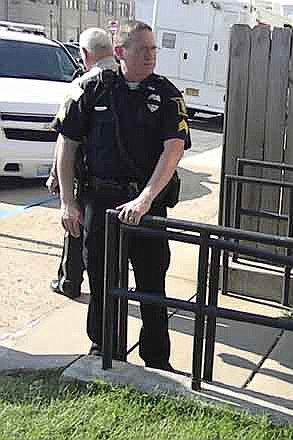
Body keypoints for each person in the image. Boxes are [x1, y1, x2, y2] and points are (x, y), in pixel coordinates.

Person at [54, 21, 190, 370]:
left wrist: (145, 199)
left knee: (151, 286)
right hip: (101, 202)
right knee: (103, 283)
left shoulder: (168, 94)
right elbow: (67, 145)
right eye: (141, 49)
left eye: (153, 49)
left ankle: (157, 361)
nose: (150, 56)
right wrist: (68, 201)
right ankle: (105, 350)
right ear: (119, 53)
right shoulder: (91, 89)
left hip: (148, 206)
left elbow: (173, 149)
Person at [47, 27, 119, 299]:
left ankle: (70, 280)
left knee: (74, 223)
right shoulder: (126, 80)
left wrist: (56, 174)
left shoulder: (83, 85)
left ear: (85, 54)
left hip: (85, 174)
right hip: (115, 176)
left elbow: (66, 139)